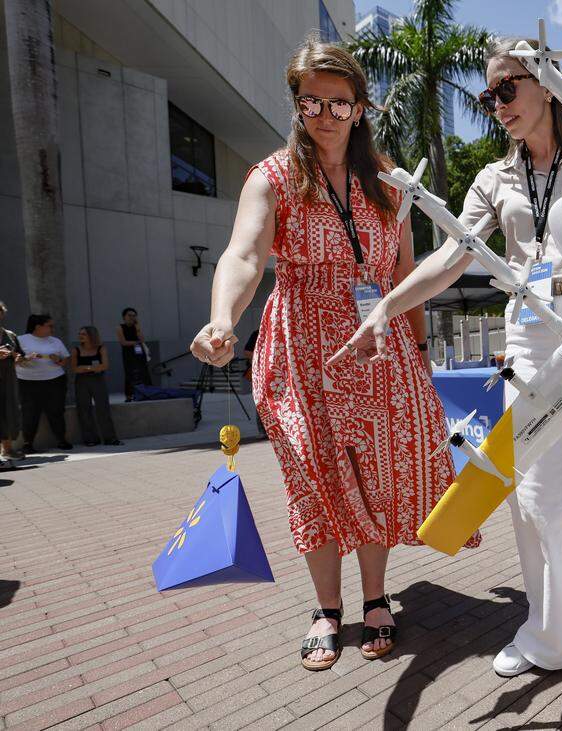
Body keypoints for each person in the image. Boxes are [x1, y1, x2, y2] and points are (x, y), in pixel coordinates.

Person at [333, 37, 562, 701]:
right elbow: (449, 258)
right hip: (531, 337)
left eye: (507, 88)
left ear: (546, 84)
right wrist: (383, 309)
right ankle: (548, 635)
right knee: (535, 496)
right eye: (488, 95)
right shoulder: (495, 179)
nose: (496, 105)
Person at [189, 34, 469, 672]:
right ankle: (326, 607)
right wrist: (220, 318)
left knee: (372, 475)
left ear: (360, 108)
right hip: (301, 347)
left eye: (338, 103)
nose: (323, 115)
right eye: (309, 102)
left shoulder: (389, 182)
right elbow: (244, 254)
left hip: (378, 345)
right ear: (297, 107)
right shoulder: (275, 176)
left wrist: (419, 346)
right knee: (311, 477)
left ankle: (375, 598)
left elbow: (403, 273)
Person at [16, 314, 72, 452]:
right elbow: (13, 359)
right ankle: (28, 443)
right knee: (29, 412)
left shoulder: (55, 341)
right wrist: (25, 359)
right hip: (27, 382)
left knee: (56, 411)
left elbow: (65, 360)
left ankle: (61, 440)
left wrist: (58, 360)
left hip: (55, 381)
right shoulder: (20, 340)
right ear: (38, 327)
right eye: (50, 325)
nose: (53, 328)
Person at [72, 326, 122, 447]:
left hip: (98, 380)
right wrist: (94, 368)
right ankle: (90, 438)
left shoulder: (101, 348)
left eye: (83, 334)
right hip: (81, 381)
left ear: (91, 335)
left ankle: (110, 438)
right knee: (84, 409)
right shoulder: (76, 350)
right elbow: (75, 369)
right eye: (80, 334)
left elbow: (105, 366)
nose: (80, 336)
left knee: (103, 408)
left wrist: (86, 368)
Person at [0, 301, 24, 462]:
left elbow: (20, 356)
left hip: (8, 379)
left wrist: (17, 357)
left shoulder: (10, 335)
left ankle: (7, 450)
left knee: (8, 412)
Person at [117, 307, 152, 400]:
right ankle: (128, 395)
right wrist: (135, 343)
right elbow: (123, 342)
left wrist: (137, 327)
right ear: (124, 317)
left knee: (143, 371)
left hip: (139, 352)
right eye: (129, 315)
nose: (132, 317)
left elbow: (142, 339)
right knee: (129, 373)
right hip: (128, 353)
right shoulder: (120, 327)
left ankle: (147, 392)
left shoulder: (136, 327)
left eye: (134, 315)